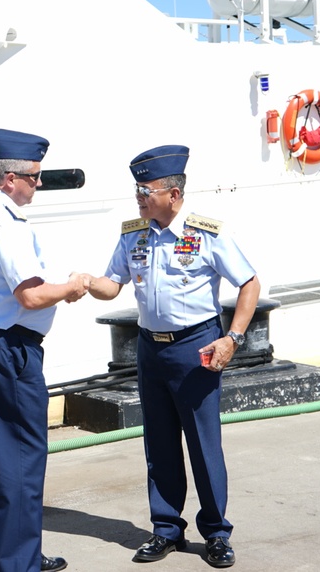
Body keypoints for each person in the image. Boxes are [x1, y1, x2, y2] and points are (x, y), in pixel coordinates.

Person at [87, 145, 260, 569]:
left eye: (145, 190)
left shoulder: (207, 233)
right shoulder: (133, 233)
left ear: (173, 194)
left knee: (203, 445)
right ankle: (166, 529)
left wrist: (232, 338)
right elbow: (113, 284)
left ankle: (216, 532)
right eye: (137, 190)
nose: (139, 197)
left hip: (195, 347)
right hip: (150, 349)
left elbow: (250, 284)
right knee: (159, 443)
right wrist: (84, 283)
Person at [0, 127, 89, 572]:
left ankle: (10, 556)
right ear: (10, 177)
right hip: (8, 348)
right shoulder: (4, 221)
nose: (39, 183)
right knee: (21, 458)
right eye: (35, 176)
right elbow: (29, 297)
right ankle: (17, 565)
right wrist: (70, 287)